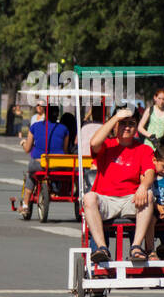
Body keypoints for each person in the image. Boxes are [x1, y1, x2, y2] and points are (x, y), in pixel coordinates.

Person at [82, 107, 155, 262]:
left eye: (131, 123)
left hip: (131, 199)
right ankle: (102, 248)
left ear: (136, 128)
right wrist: (116, 117)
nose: (127, 127)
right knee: (88, 198)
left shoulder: (144, 149)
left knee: (148, 194)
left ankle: (136, 247)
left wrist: (143, 186)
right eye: (122, 123)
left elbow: (150, 173)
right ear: (115, 125)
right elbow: (94, 142)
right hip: (106, 200)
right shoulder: (106, 145)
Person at [20, 105, 70, 208]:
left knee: (31, 173)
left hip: (40, 163)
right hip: (59, 164)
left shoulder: (35, 126)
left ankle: (25, 203)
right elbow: (65, 150)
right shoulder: (64, 129)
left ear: (45, 113)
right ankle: (55, 189)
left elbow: (27, 149)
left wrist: (23, 143)